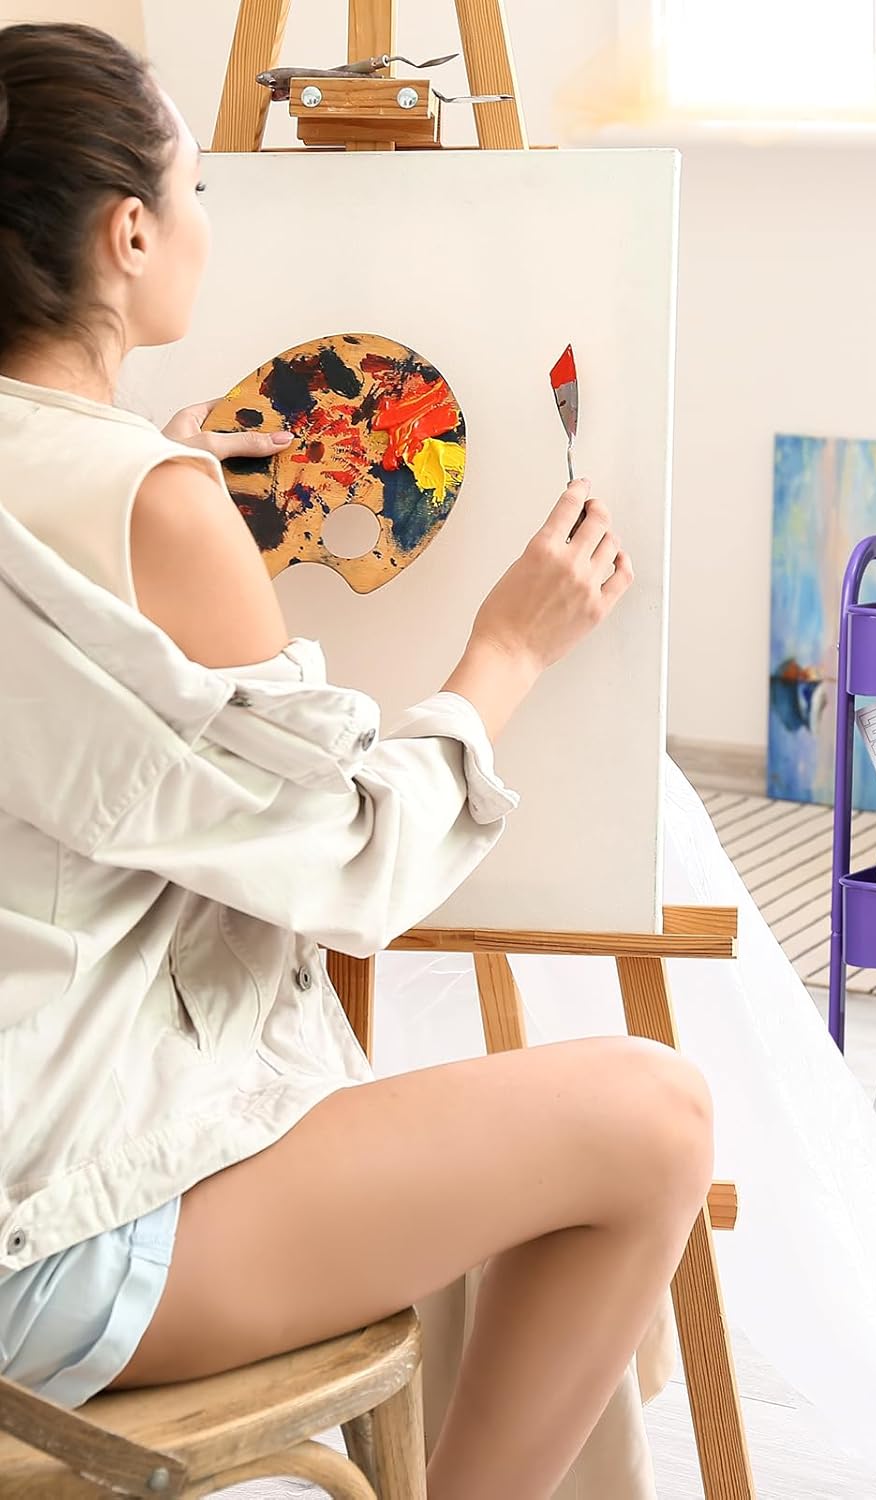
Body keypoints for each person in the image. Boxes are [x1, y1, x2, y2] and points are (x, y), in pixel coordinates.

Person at [0, 24, 713, 1500]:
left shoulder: (111, 478)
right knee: (658, 1119)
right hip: (48, 1245)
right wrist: (505, 652)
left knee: (470, 1172)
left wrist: (150, 468)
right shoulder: (157, 503)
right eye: (198, 189)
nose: (207, 221)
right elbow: (352, 865)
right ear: (129, 232)